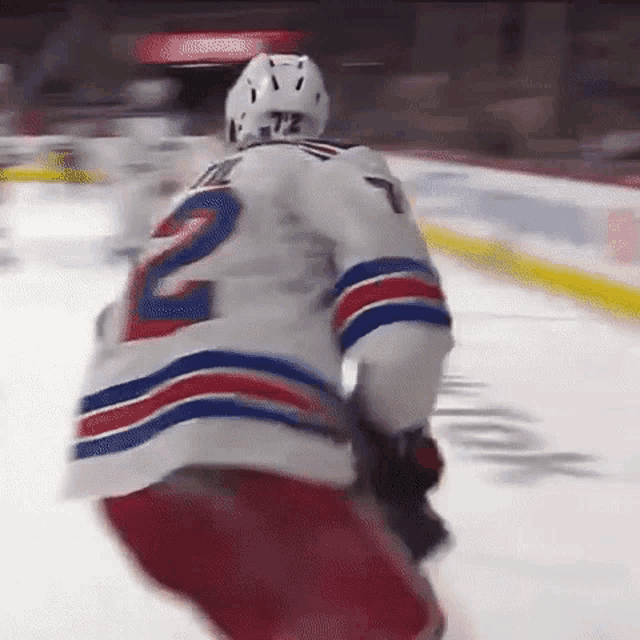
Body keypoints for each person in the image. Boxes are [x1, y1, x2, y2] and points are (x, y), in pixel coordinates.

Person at [64, 53, 454, 640]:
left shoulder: (189, 199)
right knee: (407, 627)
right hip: (254, 466)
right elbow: (405, 329)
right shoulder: (340, 165)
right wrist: (391, 443)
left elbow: (109, 326)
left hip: (127, 487)